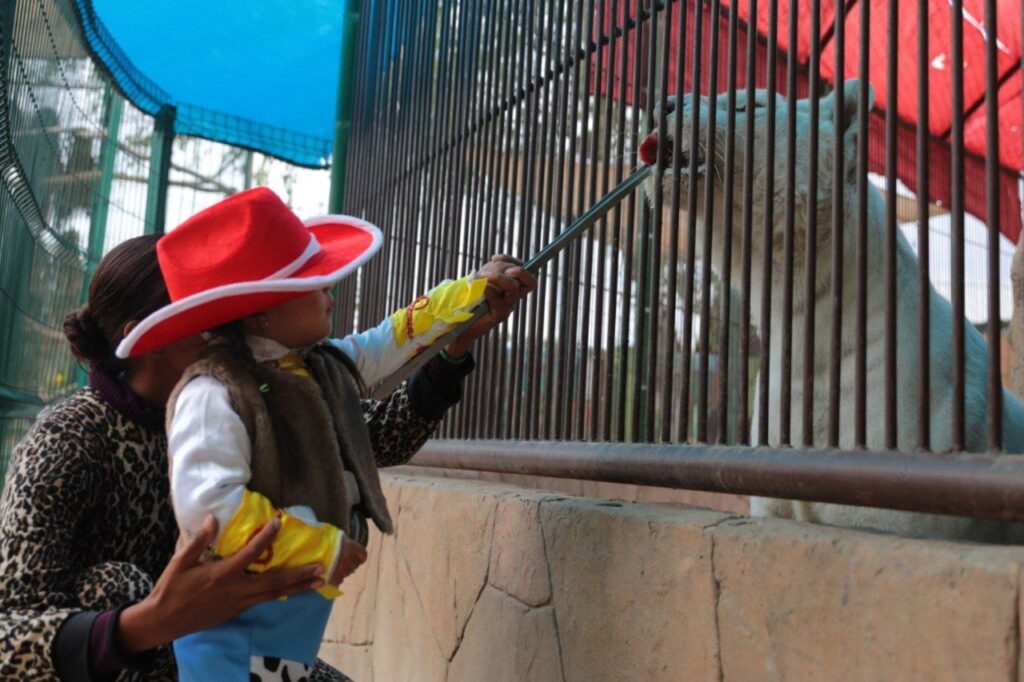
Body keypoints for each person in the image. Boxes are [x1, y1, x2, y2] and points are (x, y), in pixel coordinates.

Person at [0, 189, 535, 680]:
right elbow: (9, 637)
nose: (222, 328)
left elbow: (366, 442)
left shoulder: (250, 388)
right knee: (116, 587)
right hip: (166, 660)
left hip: (259, 646)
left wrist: (451, 349)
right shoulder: (71, 440)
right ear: (150, 335)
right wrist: (142, 623)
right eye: (206, 313)